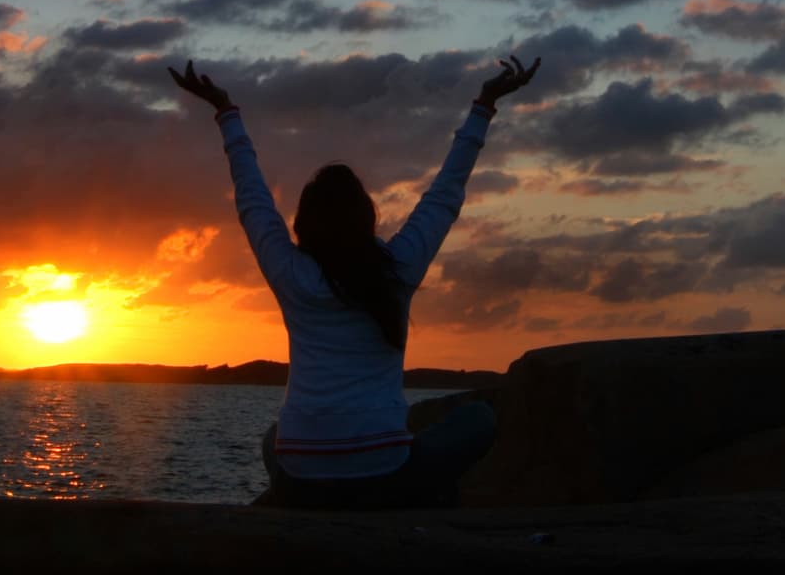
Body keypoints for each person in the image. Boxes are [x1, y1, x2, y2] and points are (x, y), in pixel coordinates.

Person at [169, 52, 540, 508]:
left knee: (275, 439)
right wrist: (484, 104)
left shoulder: (291, 272)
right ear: (367, 217)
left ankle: (305, 495)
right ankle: (420, 503)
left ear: (304, 222)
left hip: (302, 477)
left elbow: (252, 198)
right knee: (481, 419)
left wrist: (226, 113)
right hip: (384, 477)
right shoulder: (398, 267)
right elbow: (446, 193)